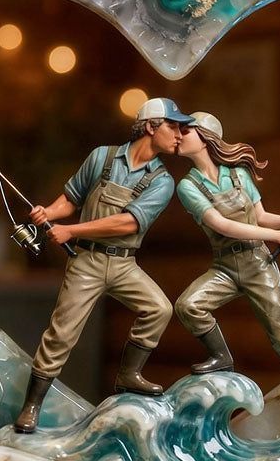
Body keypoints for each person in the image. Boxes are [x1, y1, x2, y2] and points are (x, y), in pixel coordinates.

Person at [14, 98, 194, 433]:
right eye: (174, 126)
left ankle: (129, 374)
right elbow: (71, 198)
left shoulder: (162, 181)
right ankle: (32, 406)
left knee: (158, 308)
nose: (180, 135)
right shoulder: (102, 157)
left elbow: (128, 223)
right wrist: (48, 213)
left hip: (124, 264)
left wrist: (72, 230)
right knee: (61, 334)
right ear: (151, 126)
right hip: (87, 263)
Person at [173, 111, 280, 435]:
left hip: (258, 265)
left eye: (185, 131)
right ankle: (222, 357)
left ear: (205, 138)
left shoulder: (238, 174)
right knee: (188, 305)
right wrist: (275, 236)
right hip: (225, 266)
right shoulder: (187, 186)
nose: (178, 136)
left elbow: (260, 216)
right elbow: (222, 225)